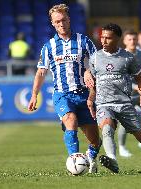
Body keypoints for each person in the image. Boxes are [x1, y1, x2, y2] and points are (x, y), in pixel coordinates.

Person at [85, 23, 141, 173]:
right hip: (104, 103)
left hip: (124, 104)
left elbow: (140, 78)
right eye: (102, 37)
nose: (104, 41)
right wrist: (90, 98)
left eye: (108, 38)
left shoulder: (128, 57)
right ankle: (112, 160)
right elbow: (93, 82)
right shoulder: (95, 57)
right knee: (107, 128)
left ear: (117, 39)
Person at [27, 4, 101, 173]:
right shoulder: (49, 46)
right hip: (62, 94)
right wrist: (34, 95)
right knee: (70, 120)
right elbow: (40, 72)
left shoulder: (84, 41)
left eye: (63, 20)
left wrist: (90, 70)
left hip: (84, 95)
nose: (61, 24)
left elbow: (99, 62)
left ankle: (89, 158)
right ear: (52, 23)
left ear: (69, 20)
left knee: (95, 140)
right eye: (57, 21)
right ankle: (74, 161)